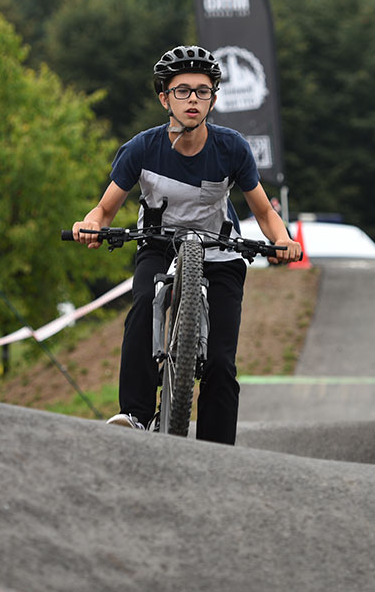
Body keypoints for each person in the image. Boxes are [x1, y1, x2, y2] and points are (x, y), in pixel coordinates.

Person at [71, 45, 301, 444]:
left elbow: (264, 212)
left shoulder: (231, 148)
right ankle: (137, 414)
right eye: (182, 91)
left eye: (202, 90)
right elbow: (105, 209)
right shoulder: (142, 148)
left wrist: (282, 240)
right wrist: (90, 225)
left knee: (221, 363)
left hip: (219, 251)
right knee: (143, 305)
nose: (192, 99)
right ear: (165, 98)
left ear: (213, 98)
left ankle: (215, 451)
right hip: (158, 244)